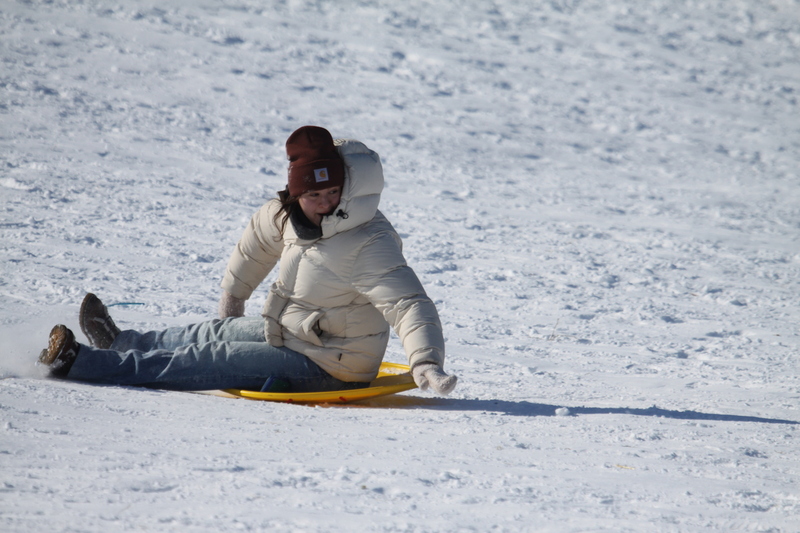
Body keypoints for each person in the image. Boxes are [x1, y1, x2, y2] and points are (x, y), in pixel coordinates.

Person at [38, 126, 458, 396]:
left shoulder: (367, 240)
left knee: (208, 358)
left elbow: (407, 304)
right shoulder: (291, 214)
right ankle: (120, 342)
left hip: (333, 364)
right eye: (314, 196)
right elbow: (258, 239)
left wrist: (425, 363)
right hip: (294, 332)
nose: (326, 203)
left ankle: (82, 363)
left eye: (333, 194)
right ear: (296, 195)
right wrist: (233, 297)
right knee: (207, 333)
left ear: (346, 188)